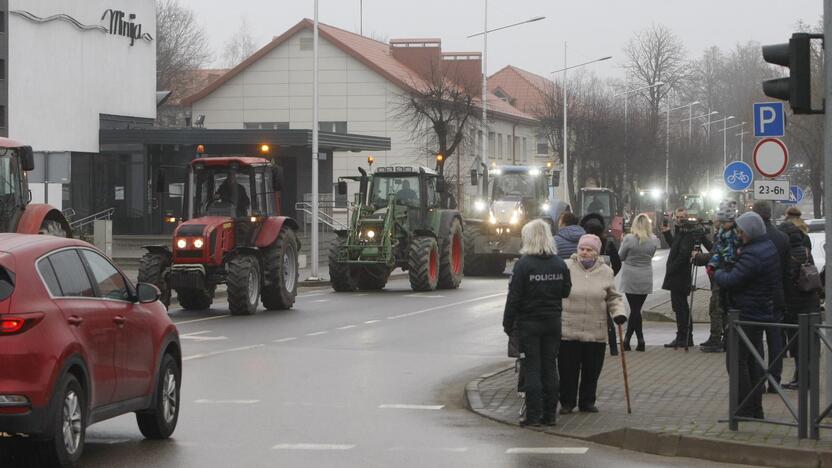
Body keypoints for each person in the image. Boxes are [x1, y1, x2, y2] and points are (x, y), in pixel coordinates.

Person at [502, 219, 572, 427]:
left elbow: (513, 297)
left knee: (532, 368)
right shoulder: (559, 263)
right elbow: (566, 291)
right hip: (552, 322)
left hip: (529, 324)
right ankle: (550, 415)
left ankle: (533, 416)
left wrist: (508, 324)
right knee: (550, 367)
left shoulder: (523, 265)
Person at [715, 212, 780, 419]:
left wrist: (716, 273)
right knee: (751, 361)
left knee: (736, 362)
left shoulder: (753, 254)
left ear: (750, 231)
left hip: (747, 313)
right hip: (759, 310)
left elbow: (732, 280)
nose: (739, 234)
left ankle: (744, 408)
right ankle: (754, 408)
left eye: (742, 230)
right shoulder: (767, 247)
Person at [558, 234, 626, 414]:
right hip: (568, 328)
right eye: (582, 249)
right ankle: (567, 402)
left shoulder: (606, 271)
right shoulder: (566, 267)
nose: (584, 253)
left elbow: (613, 297)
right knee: (567, 370)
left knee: (592, 370)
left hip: (595, 329)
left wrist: (618, 313)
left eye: (589, 250)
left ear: (596, 253)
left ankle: (587, 401)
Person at [779, 207, 821, 390]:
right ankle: (807, 377)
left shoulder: (789, 255)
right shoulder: (805, 248)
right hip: (811, 301)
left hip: (796, 305)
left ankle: (801, 379)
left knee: (797, 343)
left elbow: (788, 281)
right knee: (810, 343)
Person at [662, 207, 712, 348]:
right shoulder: (681, 231)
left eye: (682, 217)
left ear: (687, 217)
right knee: (679, 307)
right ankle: (683, 336)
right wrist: (667, 234)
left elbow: (683, 255)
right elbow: (675, 247)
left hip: (680, 276)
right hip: (677, 275)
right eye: (677, 217)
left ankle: (684, 337)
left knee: (681, 307)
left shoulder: (689, 232)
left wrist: (671, 269)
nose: (679, 220)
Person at [752, 201, 789, 391]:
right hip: (777, 295)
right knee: (776, 341)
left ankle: (758, 380)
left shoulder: (752, 237)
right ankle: (775, 381)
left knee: (756, 340)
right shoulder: (782, 238)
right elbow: (787, 272)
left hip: (757, 297)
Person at [694, 202, 739, 353]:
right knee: (721, 308)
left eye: (718, 219)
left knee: (717, 308)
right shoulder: (722, 234)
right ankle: (725, 338)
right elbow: (715, 249)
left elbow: (717, 255)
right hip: (721, 276)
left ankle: (717, 339)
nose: (715, 221)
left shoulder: (730, 236)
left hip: (724, 277)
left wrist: (698, 257)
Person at [581, 213, 622, 355]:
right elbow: (617, 263)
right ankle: (613, 347)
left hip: (587, 282)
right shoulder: (608, 243)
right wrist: (609, 275)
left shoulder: (584, 245)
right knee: (605, 314)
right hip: (603, 282)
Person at [619, 213, 658, 352]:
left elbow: (621, 256)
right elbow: (651, 255)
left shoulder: (629, 239)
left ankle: (629, 340)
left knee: (634, 309)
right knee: (637, 309)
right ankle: (638, 341)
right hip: (645, 275)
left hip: (630, 276)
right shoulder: (654, 240)